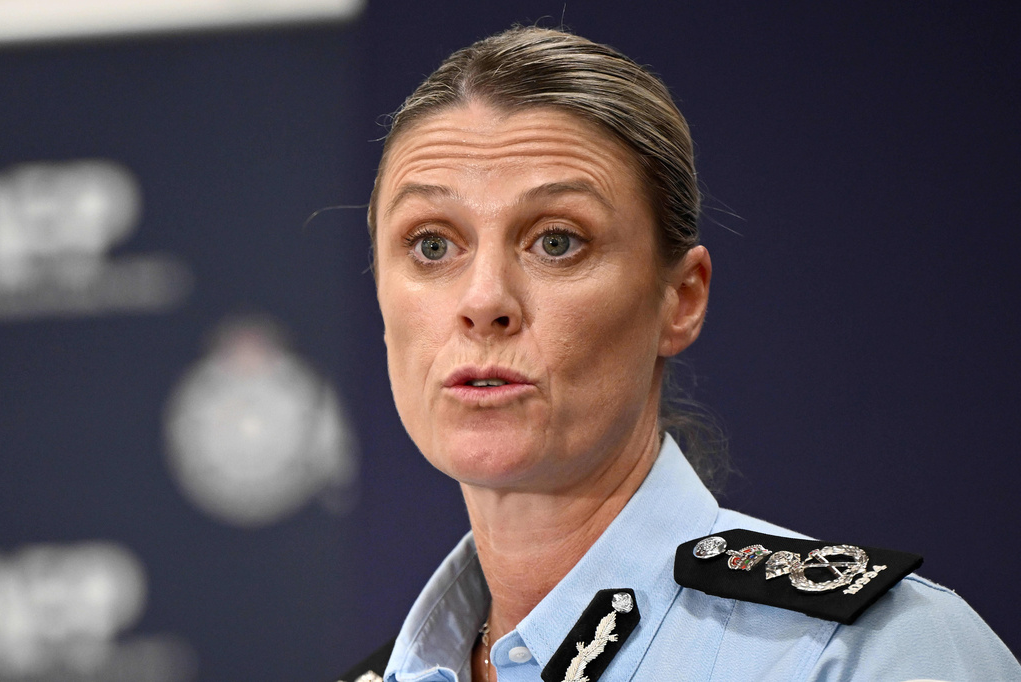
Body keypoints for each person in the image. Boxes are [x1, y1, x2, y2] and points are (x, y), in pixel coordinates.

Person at [340, 26, 1020, 682]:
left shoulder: (869, 658)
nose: (484, 299)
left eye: (556, 241)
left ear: (681, 299)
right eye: (432, 244)